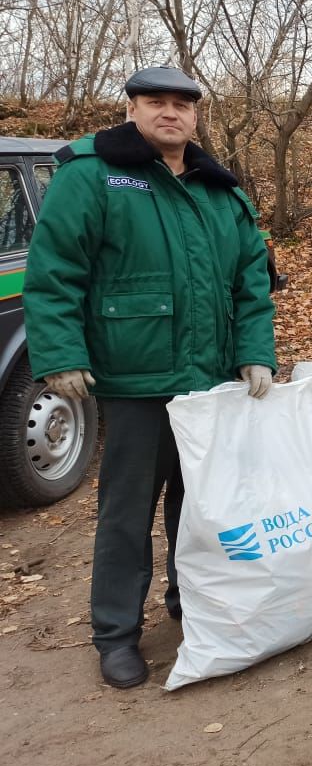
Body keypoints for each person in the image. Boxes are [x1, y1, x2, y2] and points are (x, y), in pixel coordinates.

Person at [22, 66, 277, 689]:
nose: (170, 113)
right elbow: (55, 272)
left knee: (201, 509)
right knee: (127, 512)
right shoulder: (94, 174)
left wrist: (255, 352)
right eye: (155, 101)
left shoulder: (220, 189)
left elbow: (252, 281)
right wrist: (59, 354)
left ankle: (193, 608)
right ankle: (115, 634)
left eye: (182, 104)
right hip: (136, 381)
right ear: (132, 108)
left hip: (210, 381)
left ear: (196, 115)